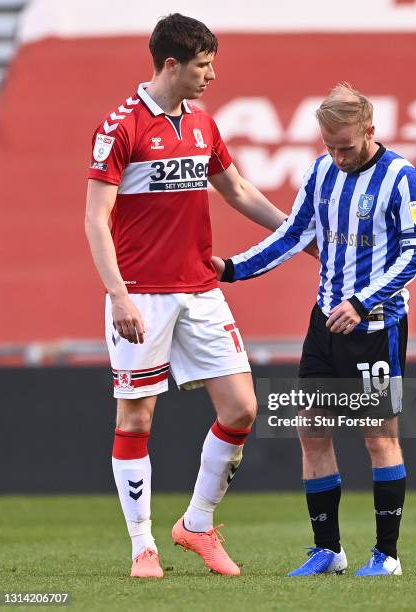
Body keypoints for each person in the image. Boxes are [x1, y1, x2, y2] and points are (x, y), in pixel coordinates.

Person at [85, 13, 289, 578]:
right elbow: (96, 220)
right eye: (203, 65)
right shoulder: (120, 127)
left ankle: (196, 525)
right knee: (136, 421)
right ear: (171, 64)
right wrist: (118, 295)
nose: (211, 76)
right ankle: (142, 546)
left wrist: (299, 236)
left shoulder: (201, 122)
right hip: (141, 296)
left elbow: (239, 190)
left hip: (200, 291)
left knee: (242, 408)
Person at [214, 82, 416, 577]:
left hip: (376, 324)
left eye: (346, 146)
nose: (337, 156)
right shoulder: (321, 172)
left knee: (378, 438)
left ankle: (387, 555)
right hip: (324, 322)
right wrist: (231, 269)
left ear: (370, 131)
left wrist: (363, 301)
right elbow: (294, 234)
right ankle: (328, 550)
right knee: (311, 431)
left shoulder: (402, 178)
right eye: (329, 146)